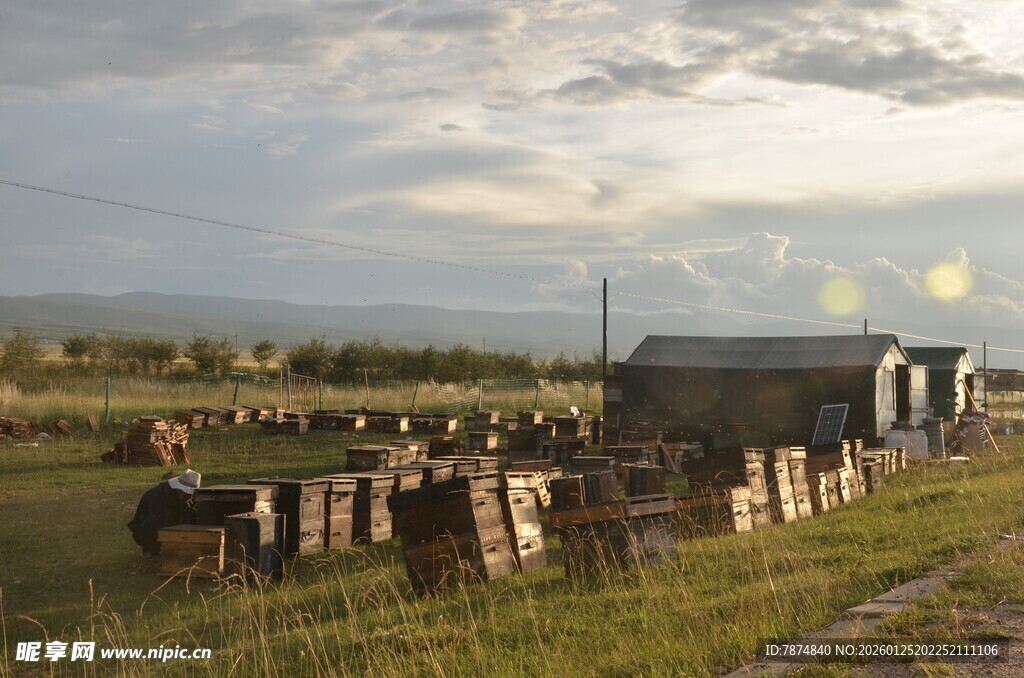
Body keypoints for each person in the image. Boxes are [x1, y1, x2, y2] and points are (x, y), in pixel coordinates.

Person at [127, 469, 201, 557]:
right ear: (178, 489)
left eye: (192, 495)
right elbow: (158, 523)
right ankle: (151, 551)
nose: (190, 498)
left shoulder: (180, 496)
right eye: (187, 494)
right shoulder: (160, 497)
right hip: (147, 532)